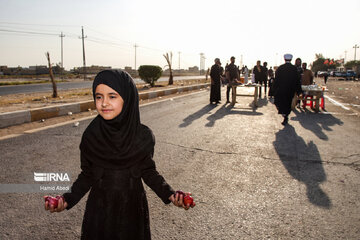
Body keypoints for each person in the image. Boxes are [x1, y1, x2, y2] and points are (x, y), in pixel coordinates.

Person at [44, 70, 195, 239]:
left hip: (132, 213)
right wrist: (66, 200)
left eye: (112, 96)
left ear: (127, 98)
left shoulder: (142, 137)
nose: (104, 103)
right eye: (99, 96)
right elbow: (87, 175)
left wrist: (171, 195)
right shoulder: (91, 136)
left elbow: (149, 172)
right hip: (99, 213)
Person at [273, 54, 302, 125]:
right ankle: (286, 115)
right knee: (288, 103)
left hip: (281, 89)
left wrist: (274, 89)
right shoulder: (294, 69)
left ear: (284, 59)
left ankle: (284, 115)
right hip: (290, 90)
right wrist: (299, 91)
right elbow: (297, 80)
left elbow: (276, 79)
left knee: (279, 102)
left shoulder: (280, 68)